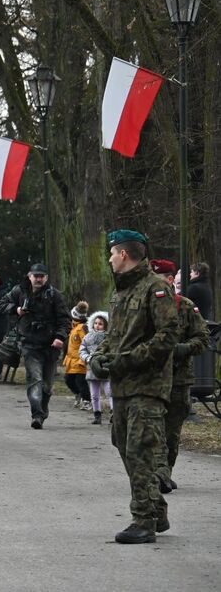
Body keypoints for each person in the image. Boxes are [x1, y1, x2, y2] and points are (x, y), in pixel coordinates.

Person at [87, 230, 178, 544]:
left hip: (148, 386)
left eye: (112, 253)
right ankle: (157, 508)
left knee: (140, 451)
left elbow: (166, 338)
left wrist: (127, 360)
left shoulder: (157, 288)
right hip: (123, 386)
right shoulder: (121, 293)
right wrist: (101, 357)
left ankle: (143, 521)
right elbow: (115, 338)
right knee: (124, 445)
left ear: (123, 254)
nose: (110, 259)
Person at [150, 259, 209, 493]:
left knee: (171, 431)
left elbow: (203, 339)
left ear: (170, 280)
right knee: (151, 430)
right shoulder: (146, 307)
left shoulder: (186, 307)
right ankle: (158, 473)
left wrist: (180, 349)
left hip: (178, 379)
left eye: (164, 278)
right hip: (150, 379)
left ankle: (165, 472)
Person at [0, 263, 71, 429]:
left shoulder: (55, 295)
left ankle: (42, 410)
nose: (38, 279)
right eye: (35, 275)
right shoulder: (19, 291)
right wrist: (16, 310)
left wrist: (60, 337)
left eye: (41, 276)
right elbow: (2, 304)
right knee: (34, 379)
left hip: (51, 345)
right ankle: (36, 415)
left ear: (46, 278)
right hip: (29, 343)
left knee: (47, 385)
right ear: (29, 276)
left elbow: (65, 320)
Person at [79, 312, 111, 424]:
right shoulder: (88, 337)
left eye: (101, 324)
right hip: (92, 368)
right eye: (96, 323)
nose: (97, 325)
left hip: (106, 367)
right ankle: (97, 414)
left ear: (106, 325)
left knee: (109, 392)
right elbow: (82, 349)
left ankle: (113, 412)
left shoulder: (109, 338)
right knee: (94, 394)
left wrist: (108, 358)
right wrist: (87, 358)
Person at [63, 302, 90, 411]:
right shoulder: (73, 327)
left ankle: (87, 400)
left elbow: (86, 341)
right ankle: (78, 394)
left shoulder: (82, 328)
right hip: (71, 360)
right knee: (68, 379)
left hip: (80, 360)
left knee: (81, 381)